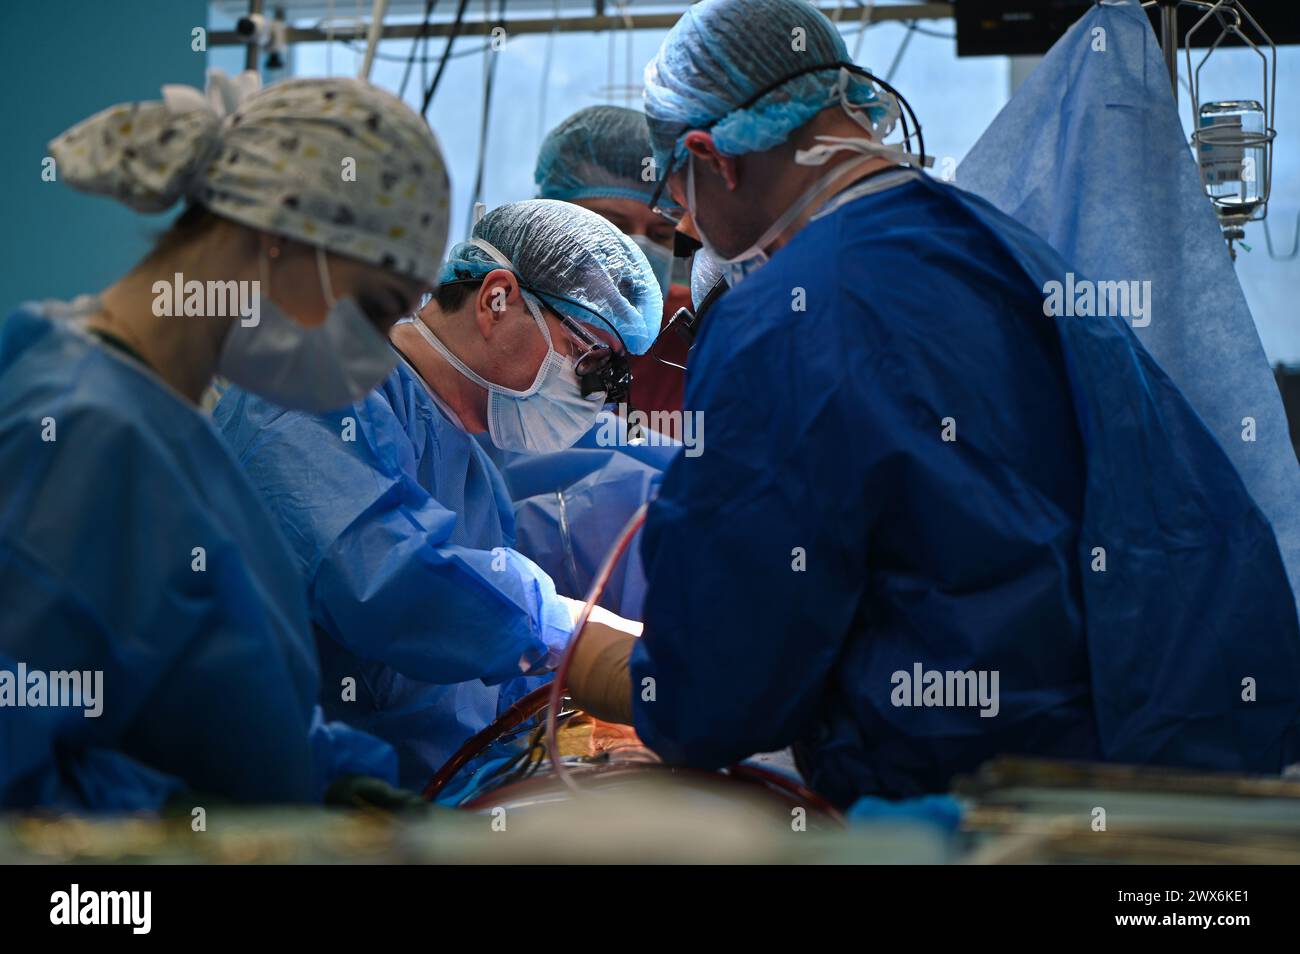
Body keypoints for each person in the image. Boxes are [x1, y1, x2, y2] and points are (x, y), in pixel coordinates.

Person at [566, 0, 1300, 807]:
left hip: (999, 807)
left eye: (680, 193)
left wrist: (599, 665)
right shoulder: (1013, 254)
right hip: (1190, 777)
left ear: (716, 158)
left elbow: (720, 689)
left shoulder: (786, 317)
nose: (689, 225)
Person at [0, 70, 450, 811]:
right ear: (281, 231)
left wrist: (332, 780)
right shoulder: (79, 433)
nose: (371, 358)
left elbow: (212, 705)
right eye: (372, 309)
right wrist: (185, 827)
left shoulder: (165, 424)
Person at [214, 199, 656, 791]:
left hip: (405, 799)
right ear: (495, 300)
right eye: (588, 358)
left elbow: (469, 686)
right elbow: (383, 577)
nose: (598, 393)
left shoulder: (473, 474)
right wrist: (561, 629)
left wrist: (569, 719)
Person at [535, 105, 692, 419]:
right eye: (611, 226)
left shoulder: (695, 338)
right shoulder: (495, 320)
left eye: (661, 233)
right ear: (547, 219)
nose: (636, 249)